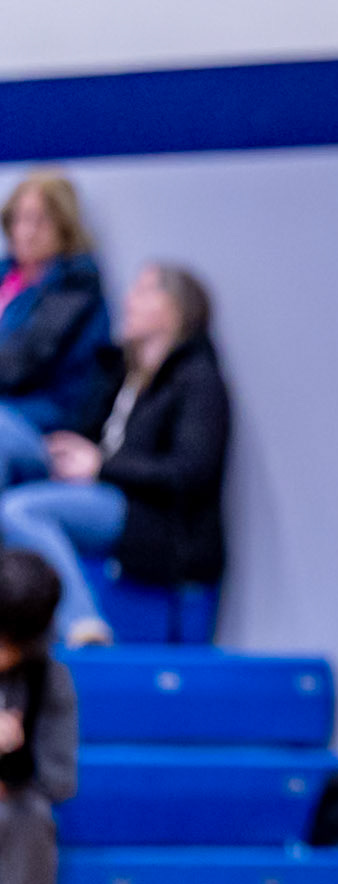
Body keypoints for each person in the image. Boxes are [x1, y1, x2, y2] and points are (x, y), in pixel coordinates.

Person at [0, 263, 229, 647]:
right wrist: (72, 448)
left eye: (143, 291)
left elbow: (191, 472)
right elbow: (90, 432)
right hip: (91, 479)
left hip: (141, 509)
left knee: (19, 511)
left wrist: (101, 466)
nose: (128, 300)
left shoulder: (197, 380)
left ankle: (84, 624)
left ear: (174, 308)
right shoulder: (123, 371)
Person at [0, 549, 77, 884]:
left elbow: (59, 781)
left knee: (29, 817)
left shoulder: (48, 680)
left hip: (10, 804)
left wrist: (15, 756)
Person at [0, 172, 113, 488]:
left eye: (39, 221)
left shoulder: (76, 286)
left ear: (64, 226)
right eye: (19, 219)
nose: (26, 231)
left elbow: (22, 363)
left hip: (47, 421)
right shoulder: (6, 275)